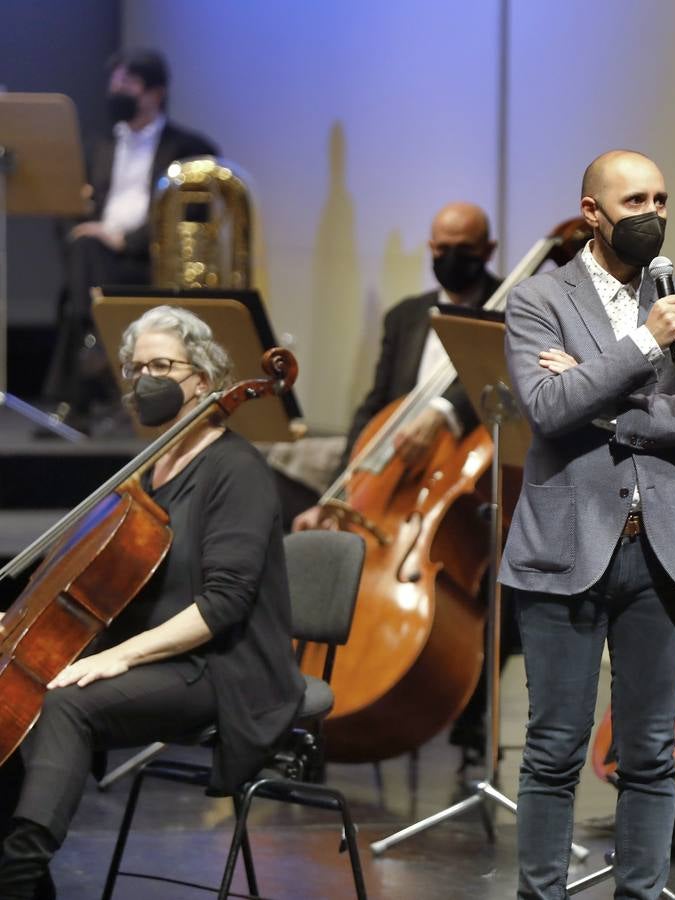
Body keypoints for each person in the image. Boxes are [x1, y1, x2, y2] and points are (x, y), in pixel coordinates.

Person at [0, 306, 303, 899]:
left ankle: (19, 871)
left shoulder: (236, 469)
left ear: (205, 377)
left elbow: (224, 605)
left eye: (162, 365)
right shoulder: (146, 472)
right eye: (136, 368)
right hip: (158, 658)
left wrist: (119, 658)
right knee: (21, 694)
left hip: (223, 667)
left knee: (65, 704)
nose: (146, 380)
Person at [498, 149, 675, 898]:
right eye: (635, 201)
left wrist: (607, 404)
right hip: (564, 548)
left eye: (661, 200)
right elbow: (547, 408)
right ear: (592, 213)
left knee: (650, 752)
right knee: (555, 748)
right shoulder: (538, 299)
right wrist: (643, 348)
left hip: (661, 551)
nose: (653, 215)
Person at [290, 201, 507, 763]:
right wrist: (340, 492)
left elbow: (497, 386)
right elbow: (375, 406)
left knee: (500, 588)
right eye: (438, 247)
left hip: (473, 491)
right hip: (393, 490)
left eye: (461, 249)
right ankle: (309, 713)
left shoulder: (514, 307)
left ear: (487, 250)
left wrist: (440, 412)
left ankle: (473, 718)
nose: (448, 258)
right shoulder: (406, 316)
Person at [44, 50, 219, 433]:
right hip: (95, 256)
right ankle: (95, 350)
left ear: (156, 92)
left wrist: (124, 240)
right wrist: (83, 226)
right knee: (86, 251)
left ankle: (79, 386)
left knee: (86, 274)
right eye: (114, 83)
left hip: (148, 259)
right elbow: (70, 201)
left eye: (127, 83)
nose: (116, 91)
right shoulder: (97, 144)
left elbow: (187, 219)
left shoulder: (189, 149)